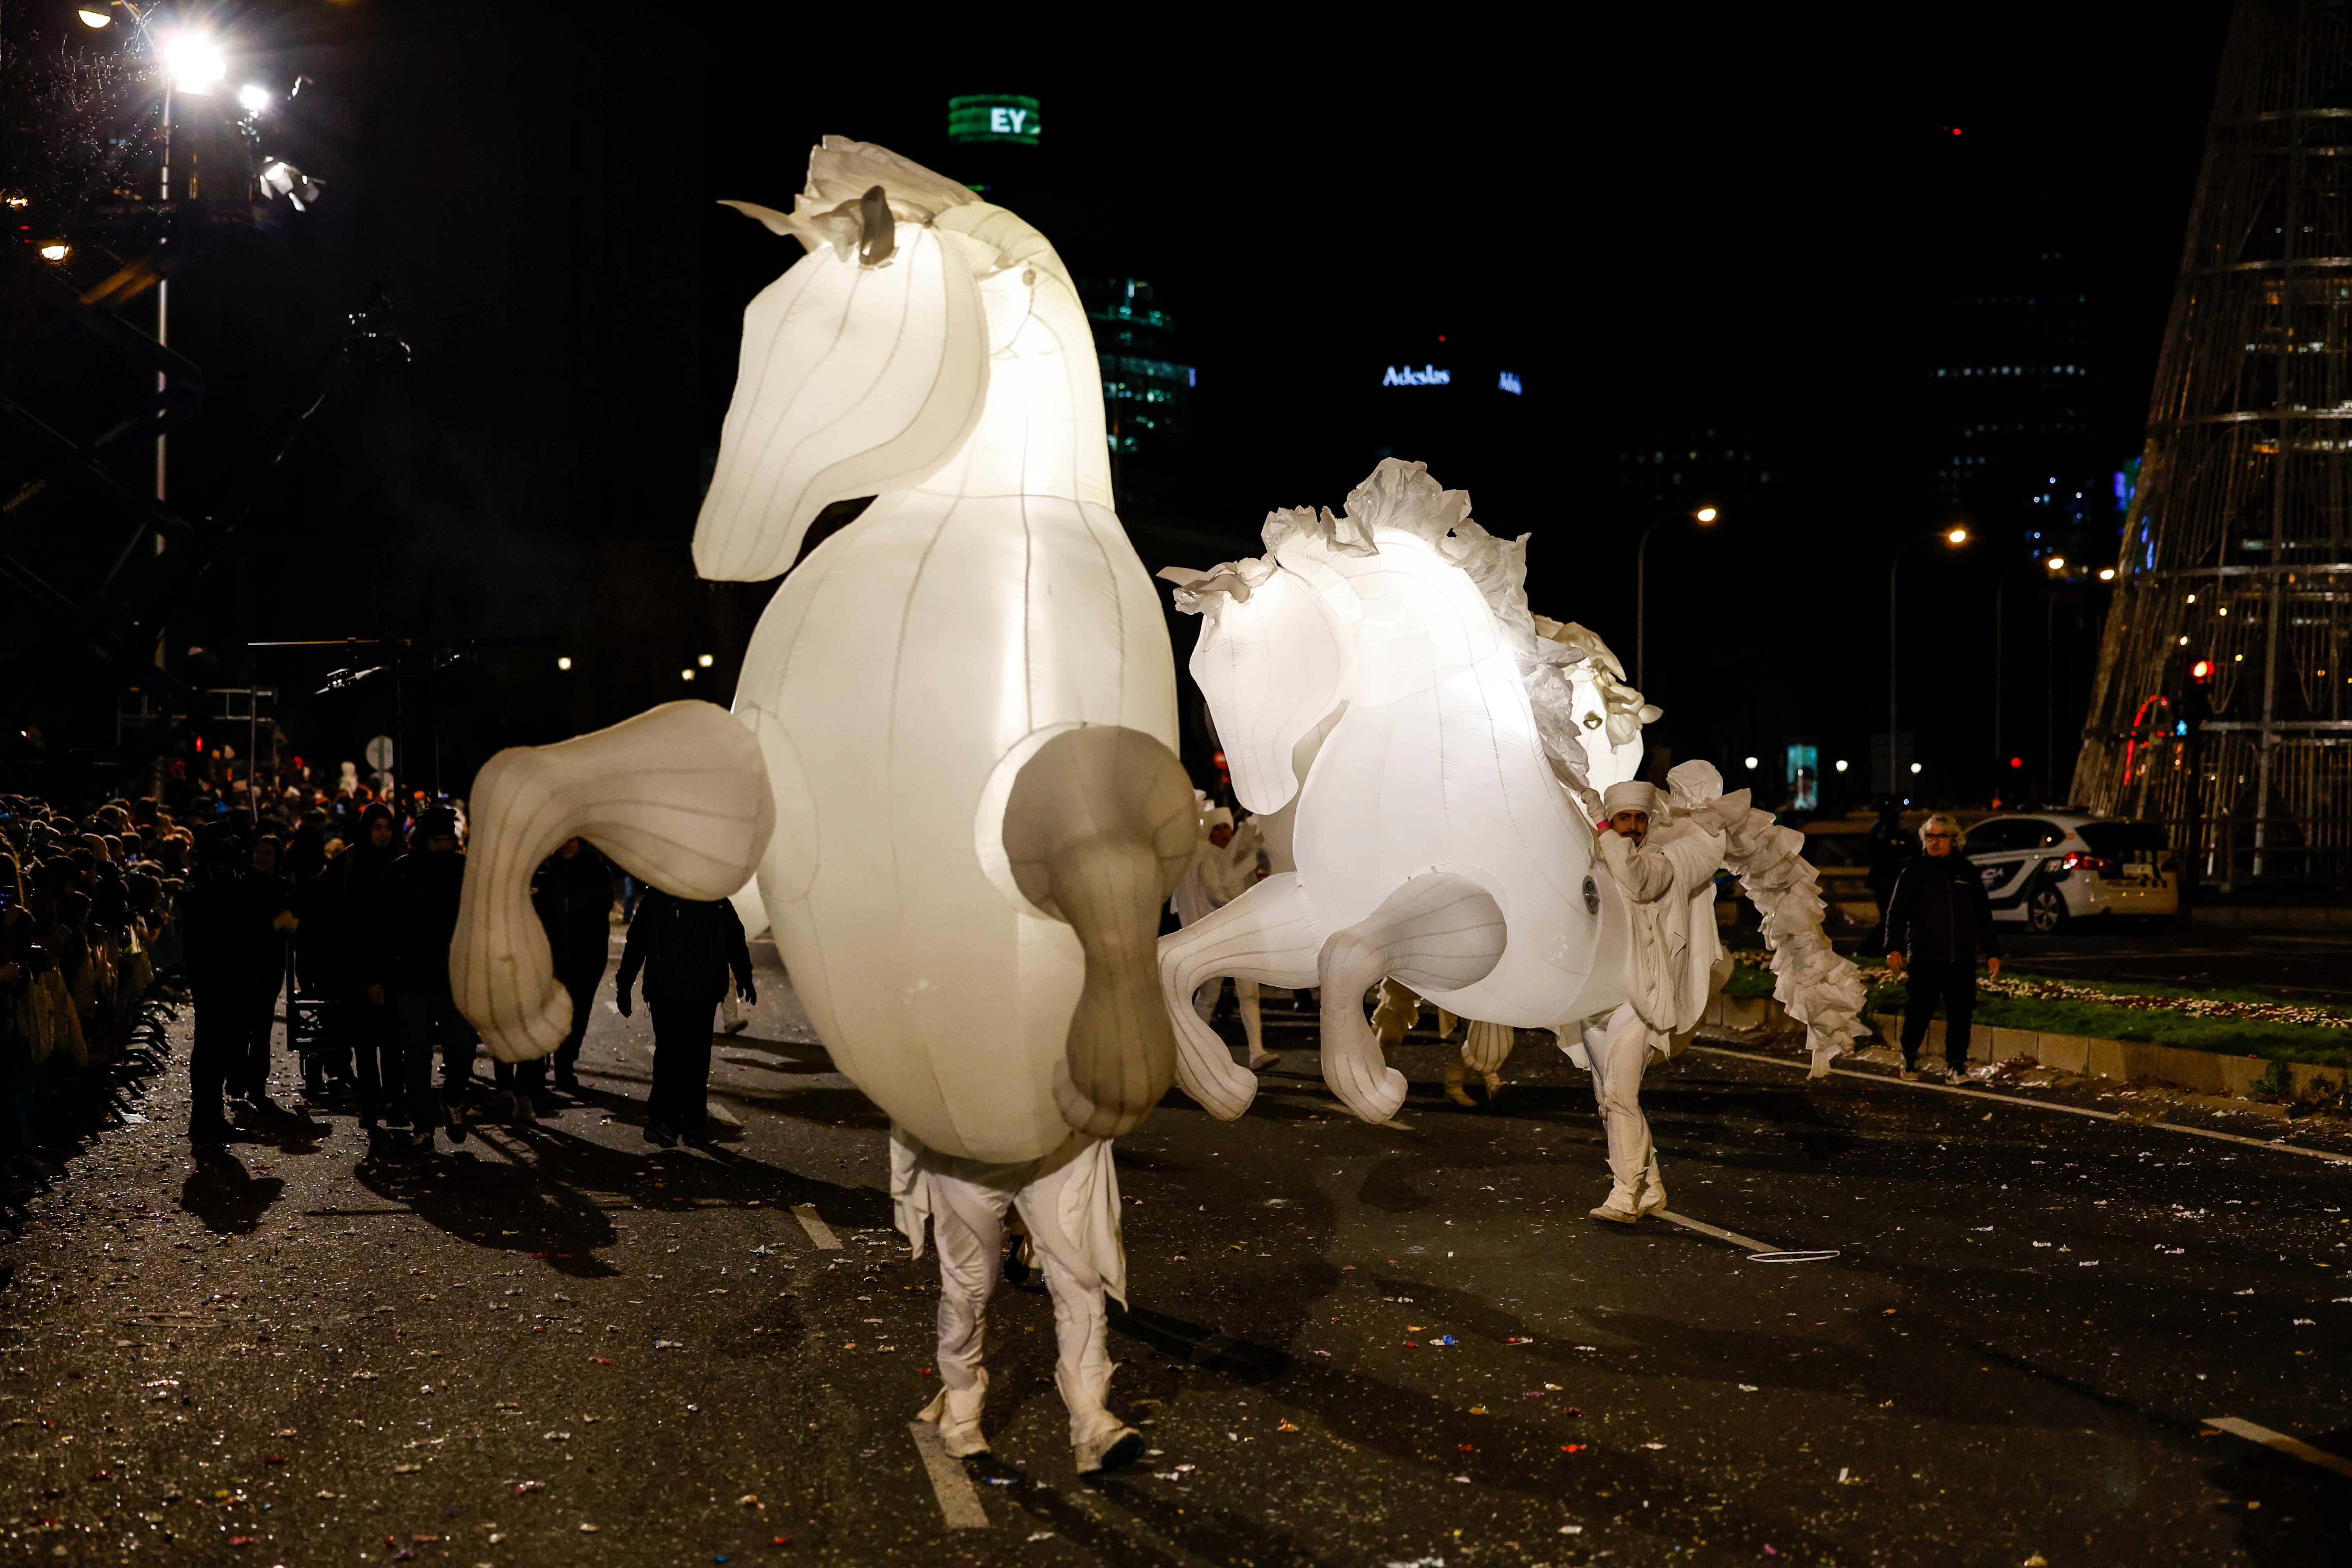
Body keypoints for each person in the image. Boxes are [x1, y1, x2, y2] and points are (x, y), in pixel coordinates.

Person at [1582, 776, 1727, 1225]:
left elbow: (1637, 879)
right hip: (1594, 1000)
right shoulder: (1597, 862)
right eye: (1622, 817)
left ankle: (1625, 1192)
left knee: (1622, 1094)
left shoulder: (1663, 862)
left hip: (1641, 996)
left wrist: (1602, 826)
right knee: (1609, 1099)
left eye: (1636, 818)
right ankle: (1650, 1186)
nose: (1629, 826)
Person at [372, 806, 476, 1151]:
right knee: (416, 1055)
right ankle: (423, 1124)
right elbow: (382, 929)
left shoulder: (465, 872)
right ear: (423, 840)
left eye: (449, 840)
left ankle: (452, 1098)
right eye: (437, 841)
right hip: (413, 977)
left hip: (454, 977)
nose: (444, 846)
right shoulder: (401, 873)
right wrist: (377, 976)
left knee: (462, 1043)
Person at [613, 887, 752, 1147]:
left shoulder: (715, 900)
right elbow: (638, 943)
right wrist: (624, 984)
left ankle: (689, 1124)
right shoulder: (661, 899)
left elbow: (734, 937)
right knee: (674, 1059)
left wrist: (744, 974)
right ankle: (673, 1123)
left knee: (691, 1060)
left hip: (701, 993)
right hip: (668, 993)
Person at [491, 837, 614, 1117]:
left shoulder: (594, 871)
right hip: (547, 954)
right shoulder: (548, 870)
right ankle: (525, 1082)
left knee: (576, 1011)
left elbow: (596, 911)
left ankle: (564, 1065)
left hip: (584, 954)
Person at [1880, 813, 2001, 1081]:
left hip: (1962, 958)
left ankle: (1956, 1065)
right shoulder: (1914, 872)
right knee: (1920, 1010)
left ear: (1954, 841)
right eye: (1930, 837)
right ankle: (1909, 1056)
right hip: (1926, 956)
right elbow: (1896, 913)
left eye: (1941, 837)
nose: (1934, 842)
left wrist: (1992, 951)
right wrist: (1893, 947)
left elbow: (1982, 913)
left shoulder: (1967, 872)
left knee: (1961, 1013)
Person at [308, 803, 401, 1128]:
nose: (383, 834)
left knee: (392, 1040)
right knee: (364, 1040)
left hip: (393, 966)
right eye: (377, 827)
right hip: (354, 967)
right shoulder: (346, 864)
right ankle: (371, 1103)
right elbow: (328, 919)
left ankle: (393, 1101)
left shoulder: (400, 864)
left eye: (387, 827)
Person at [1169, 801, 1274, 1069]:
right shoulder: (1209, 860)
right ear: (1210, 834)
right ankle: (1190, 1053)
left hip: (1238, 936)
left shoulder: (1235, 860)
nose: (1225, 832)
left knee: (1249, 994)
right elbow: (1215, 896)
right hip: (1218, 939)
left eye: (1227, 826)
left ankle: (1257, 1052)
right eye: (1218, 828)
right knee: (1209, 996)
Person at [231, 833, 299, 1102]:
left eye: (269, 854)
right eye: (259, 852)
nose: (262, 858)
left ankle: (256, 1085)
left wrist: (293, 924)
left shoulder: (284, 888)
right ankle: (236, 1082)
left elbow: (296, 921)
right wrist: (273, 925)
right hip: (244, 964)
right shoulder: (242, 885)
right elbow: (242, 927)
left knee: (261, 1029)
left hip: (271, 966)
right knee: (240, 1027)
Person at [1865, 798, 1911, 947]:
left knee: (1893, 917)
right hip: (1885, 881)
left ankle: (1888, 948)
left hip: (1890, 880)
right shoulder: (1884, 831)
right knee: (1888, 918)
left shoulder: (1886, 830)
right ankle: (1870, 949)